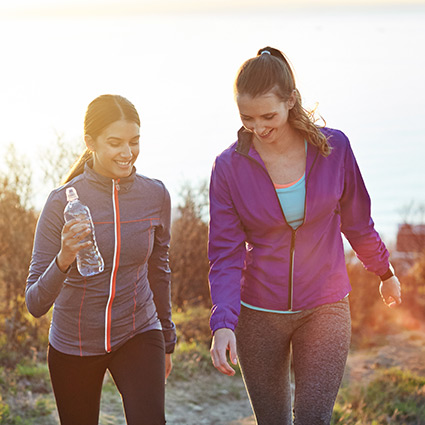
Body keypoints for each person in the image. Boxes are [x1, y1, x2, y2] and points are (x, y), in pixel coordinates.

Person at [208, 47, 402, 425]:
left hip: (325, 305)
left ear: (291, 101)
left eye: (268, 116)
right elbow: (226, 254)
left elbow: (358, 221)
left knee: (314, 419)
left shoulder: (334, 149)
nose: (259, 127)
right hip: (259, 312)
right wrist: (223, 323)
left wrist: (385, 272)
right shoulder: (229, 167)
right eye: (247, 118)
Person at [25, 94, 176, 425]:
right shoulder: (59, 204)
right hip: (74, 343)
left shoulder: (155, 195)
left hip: (138, 330)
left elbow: (159, 269)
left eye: (134, 142)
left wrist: (166, 337)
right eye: (115, 142)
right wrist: (64, 257)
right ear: (90, 142)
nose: (127, 152)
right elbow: (34, 303)